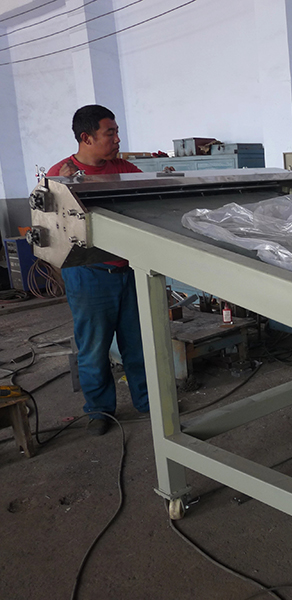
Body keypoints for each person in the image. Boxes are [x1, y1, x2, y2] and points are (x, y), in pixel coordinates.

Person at [47, 105, 149, 436]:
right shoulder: (60, 175)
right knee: (93, 347)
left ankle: (148, 400)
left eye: (117, 132)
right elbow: (53, 232)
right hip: (88, 274)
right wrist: (64, 186)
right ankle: (99, 410)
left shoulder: (124, 169)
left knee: (138, 342)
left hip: (129, 270)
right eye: (110, 133)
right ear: (86, 138)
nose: (117, 140)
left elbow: (150, 196)